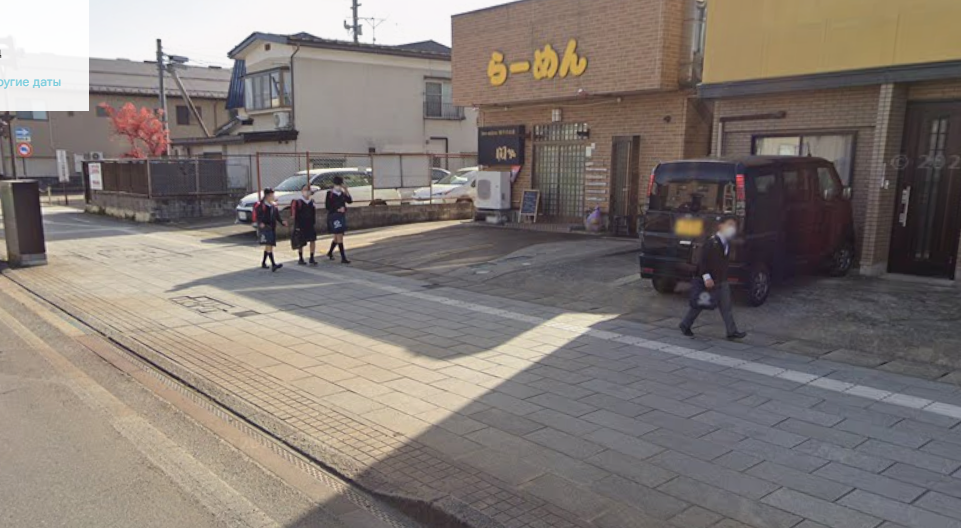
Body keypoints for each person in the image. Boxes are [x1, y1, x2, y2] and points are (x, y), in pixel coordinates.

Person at [679, 215, 748, 340]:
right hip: (710, 280)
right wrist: (707, 277)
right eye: (729, 225)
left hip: (722, 280)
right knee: (700, 304)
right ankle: (685, 324)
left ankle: (731, 332)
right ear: (721, 226)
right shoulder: (712, 242)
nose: (732, 228)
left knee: (726, 306)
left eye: (734, 226)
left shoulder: (728, 242)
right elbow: (703, 261)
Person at [255, 188, 287, 272]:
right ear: (267, 196)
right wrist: (260, 223)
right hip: (265, 227)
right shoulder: (261, 205)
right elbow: (258, 216)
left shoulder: (273, 205)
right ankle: (273, 264)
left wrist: (282, 222)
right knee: (269, 245)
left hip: (272, 227)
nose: (273, 196)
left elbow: (277, 216)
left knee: (268, 245)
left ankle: (263, 263)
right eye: (272, 195)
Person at [325, 175, 353, 264]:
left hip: (341, 216)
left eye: (340, 184)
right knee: (339, 236)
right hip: (334, 216)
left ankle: (330, 252)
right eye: (338, 184)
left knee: (337, 237)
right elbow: (327, 206)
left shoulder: (342, 193)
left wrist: (346, 190)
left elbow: (350, 201)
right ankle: (343, 258)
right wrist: (337, 209)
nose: (339, 186)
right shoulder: (330, 193)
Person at [291, 184, 319, 266]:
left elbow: (313, 213)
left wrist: (313, 222)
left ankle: (312, 257)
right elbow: (294, 215)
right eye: (305, 189)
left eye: (308, 190)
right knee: (300, 242)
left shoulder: (312, 202)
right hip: (301, 224)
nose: (307, 191)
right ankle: (301, 258)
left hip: (310, 224)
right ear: (302, 191)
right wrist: (297, 226)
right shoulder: (298, 202)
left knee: (312, 240)